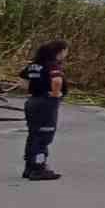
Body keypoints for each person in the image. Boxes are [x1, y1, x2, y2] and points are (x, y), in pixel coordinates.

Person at [19, 39, 68, 181]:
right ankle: (39, 168)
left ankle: (29, 167)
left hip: (32, 101)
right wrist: (55, 93)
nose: (65, 54)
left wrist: (32, 89)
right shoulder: (52, 65)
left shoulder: (34, 65)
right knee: (44, 137)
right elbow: (57, 80)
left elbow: (22, 79)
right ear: (60, 51)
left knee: (34, 135)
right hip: (46, 104)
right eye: (65, 51)